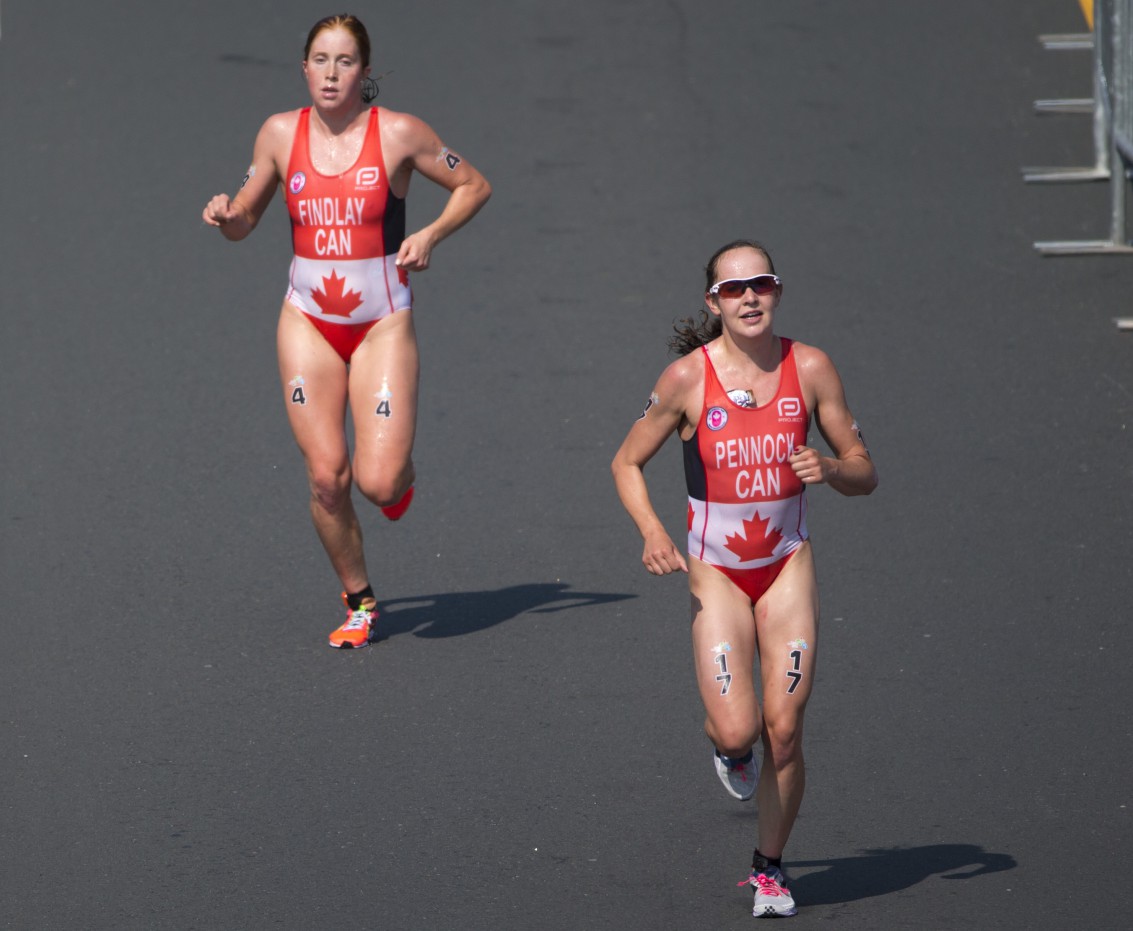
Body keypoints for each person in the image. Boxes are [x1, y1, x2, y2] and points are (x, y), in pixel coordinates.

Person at [202, 14, 490, 648]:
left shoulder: (401, 135)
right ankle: (360, 600)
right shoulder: (280, 134)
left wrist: (430, 234)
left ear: (366, 72)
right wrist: (226, 215)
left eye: (346, 62)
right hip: (307, 321)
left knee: (379, 480)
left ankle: (398, 478)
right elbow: (246, 216)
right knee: (327, 475)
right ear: (304, 68)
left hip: (381, 323)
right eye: (321, 61)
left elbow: (473, 183)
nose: (332, 74)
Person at [610, 240, 877, 918]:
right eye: (733, 289)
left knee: (782, 730)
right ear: (713, 302)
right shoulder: (684, 380)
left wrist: (833, 469)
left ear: (777, 291)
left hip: (785, 565)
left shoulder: (809, 367)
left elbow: (862, 469)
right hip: (717, 576)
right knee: (739, 732)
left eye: (760, 284)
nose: (748, 297)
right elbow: (624, 462)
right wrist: (650, 531)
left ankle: (769, 868)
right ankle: (727, 749)